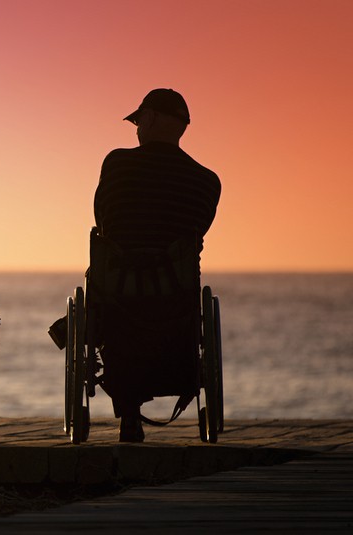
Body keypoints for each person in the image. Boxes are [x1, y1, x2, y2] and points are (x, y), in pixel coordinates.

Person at [93, 89, 221, 442]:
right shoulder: (207, 182)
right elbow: (195, 237)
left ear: (149, 118)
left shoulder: (117, 164)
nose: (135, 128)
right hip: (174, 296)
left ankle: (129, 414)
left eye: (137, 120)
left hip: (119, 292)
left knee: (117, 286)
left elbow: (103, 223)